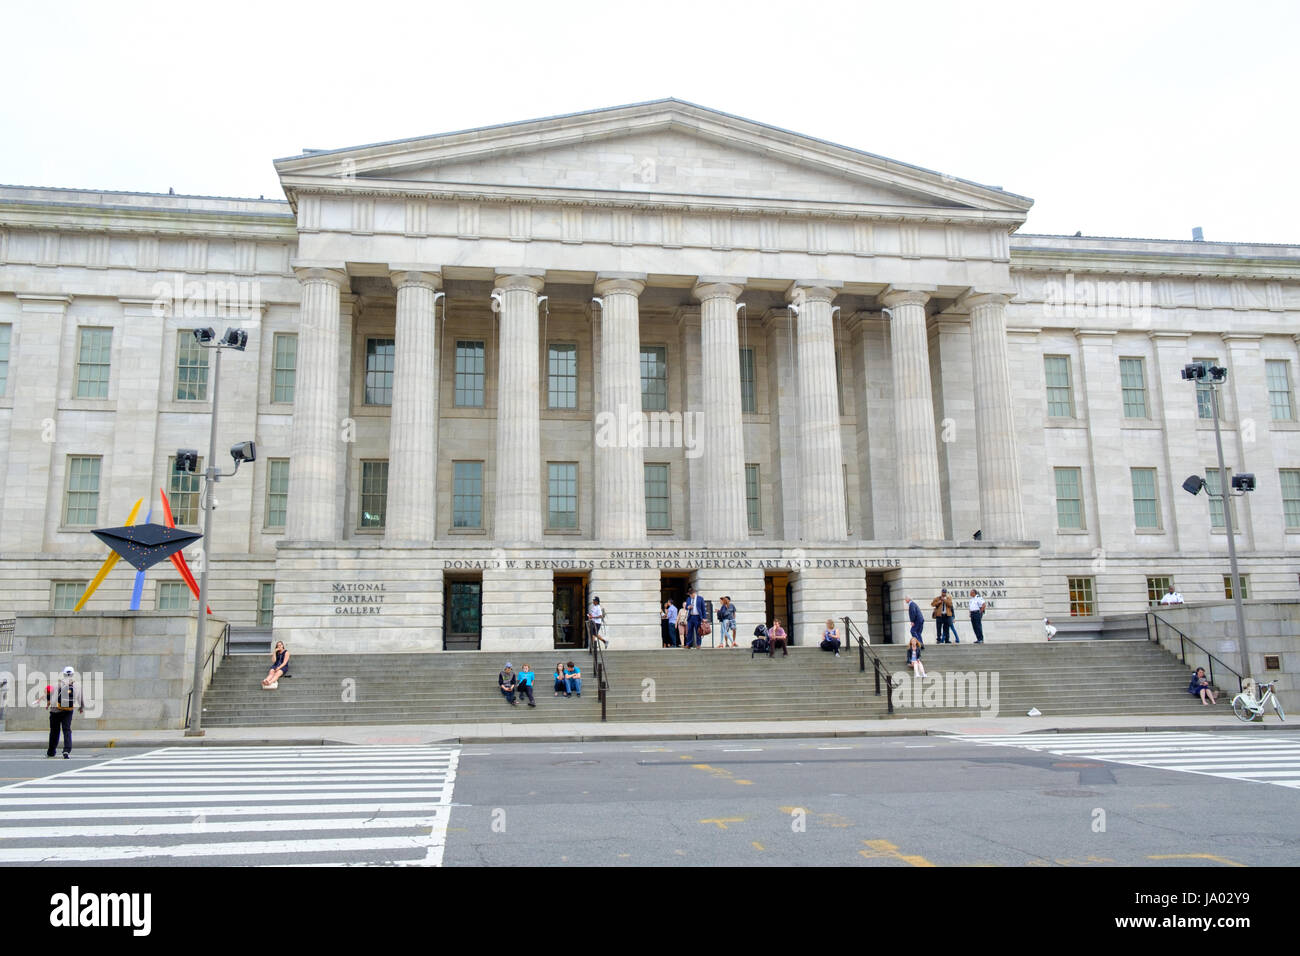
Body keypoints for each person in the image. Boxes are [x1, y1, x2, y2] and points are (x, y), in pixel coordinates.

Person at [45, 667, 83, 759]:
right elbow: (80, 697)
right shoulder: (77, 685)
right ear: (73, 674)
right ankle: (66, 750)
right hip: (68, 710)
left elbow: (48, 691)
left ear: (63, 674)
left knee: (54, 731)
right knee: (67, 730)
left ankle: (51, 752)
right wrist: (81, 707)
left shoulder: (56, 683)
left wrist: (48, 702)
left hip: (55, 710)